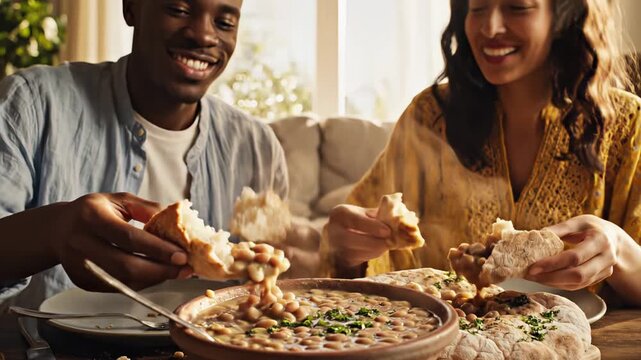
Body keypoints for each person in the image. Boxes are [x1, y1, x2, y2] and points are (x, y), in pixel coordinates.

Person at [325, 0, 641, 306]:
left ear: (564, 15)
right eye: (477, 8)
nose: (489, 28)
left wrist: (621, 249)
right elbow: (349, 272)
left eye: (517, 7)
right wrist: (345, 251)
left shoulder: (628, 126)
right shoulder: (429, 117)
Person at [0, 0, 290, 310]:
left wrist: (336, 258)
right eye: (178, 9)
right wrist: (54, 231)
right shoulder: (31, 103)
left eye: (225, 23)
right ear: (131, 8)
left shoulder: (258, 147)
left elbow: (272, 292)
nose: (204, 36)